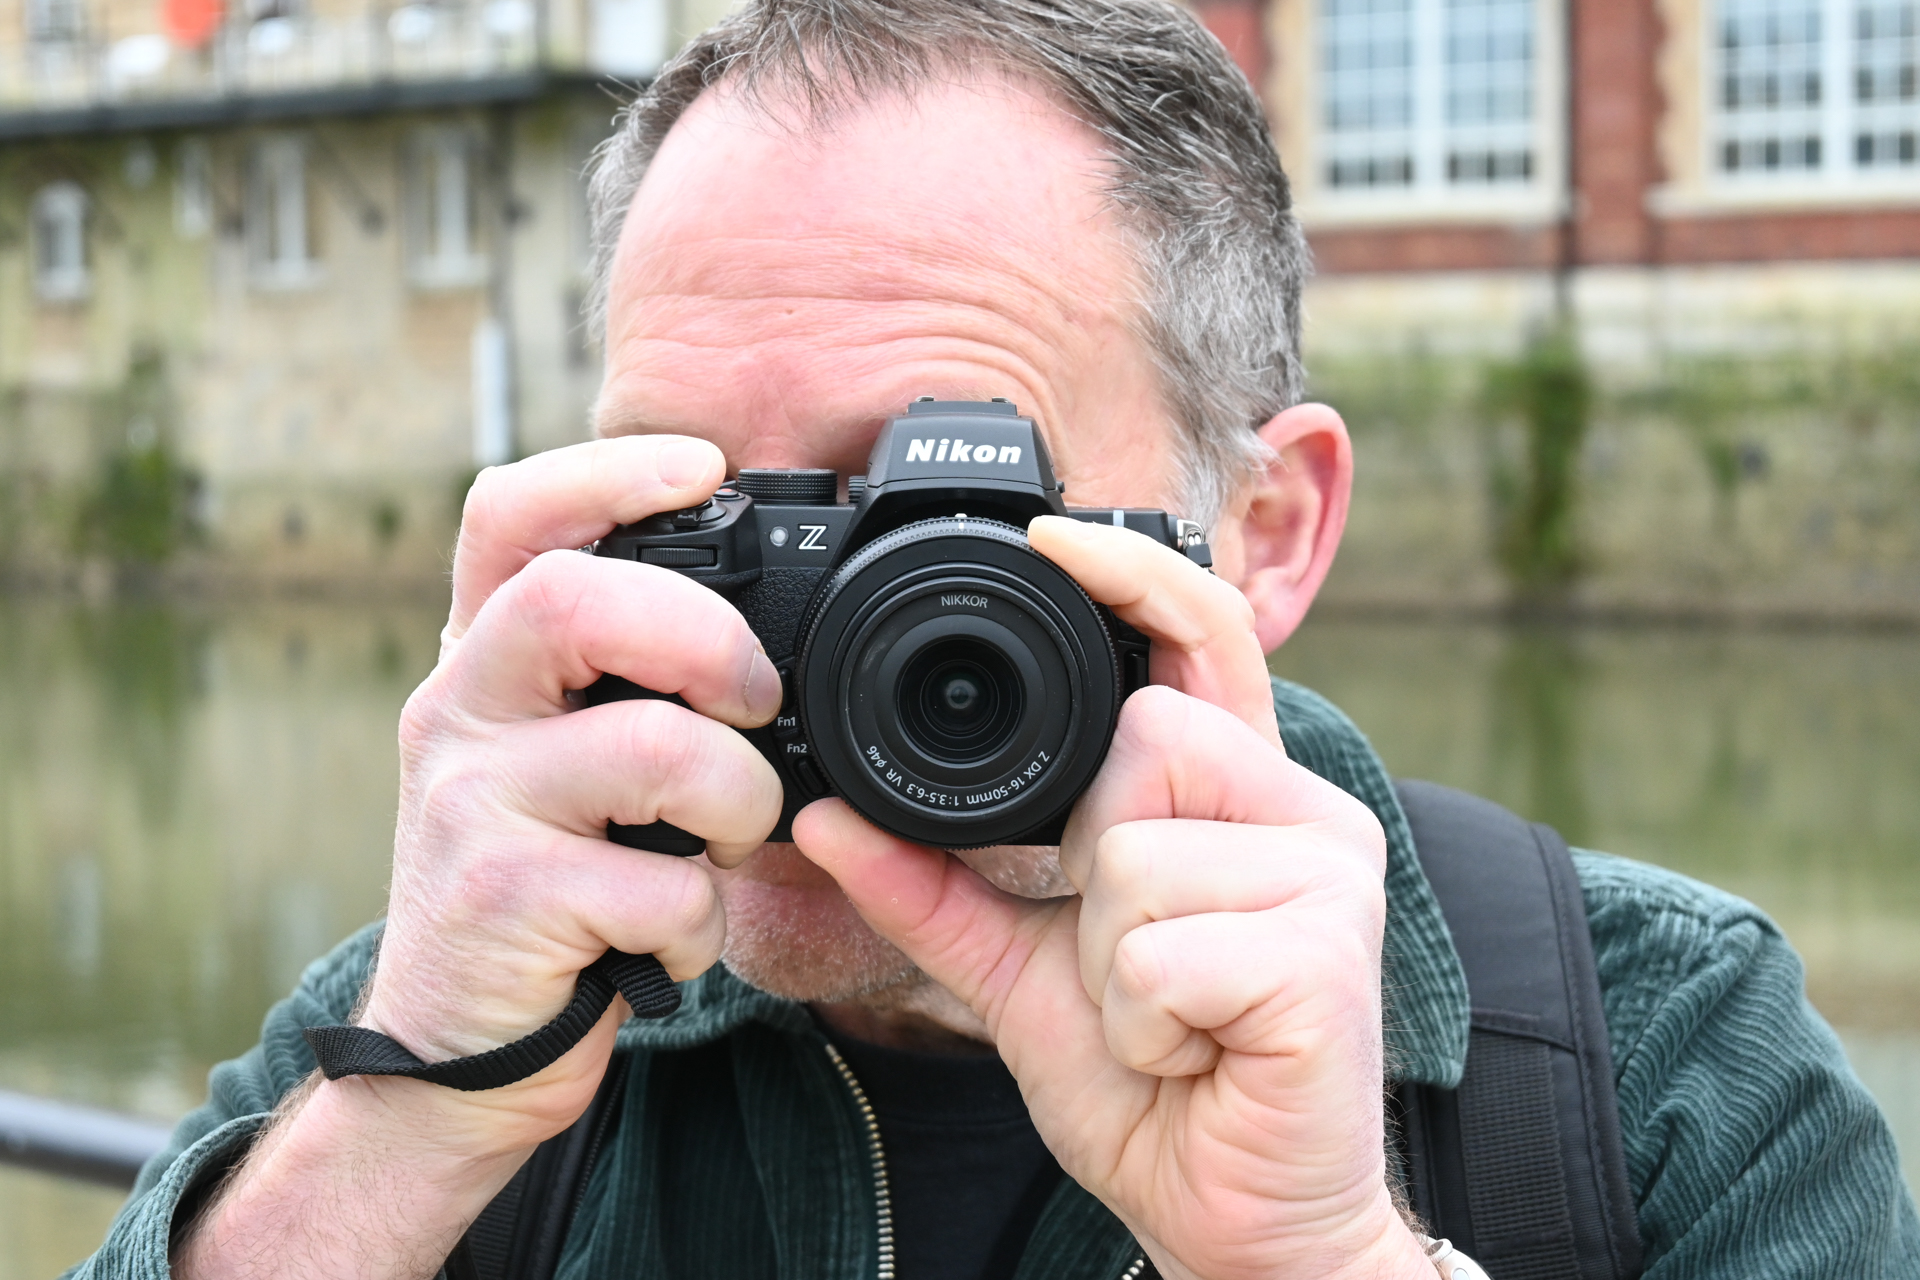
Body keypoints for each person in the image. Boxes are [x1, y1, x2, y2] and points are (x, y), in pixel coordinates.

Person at [76, 1, 1919, 1277]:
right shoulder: (457, 1021)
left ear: (1264, 532)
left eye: (941, 527)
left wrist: (1320, 1257)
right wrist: (397, 1131)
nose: (810, 650)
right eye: (722, 515)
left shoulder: (1656, 1073)